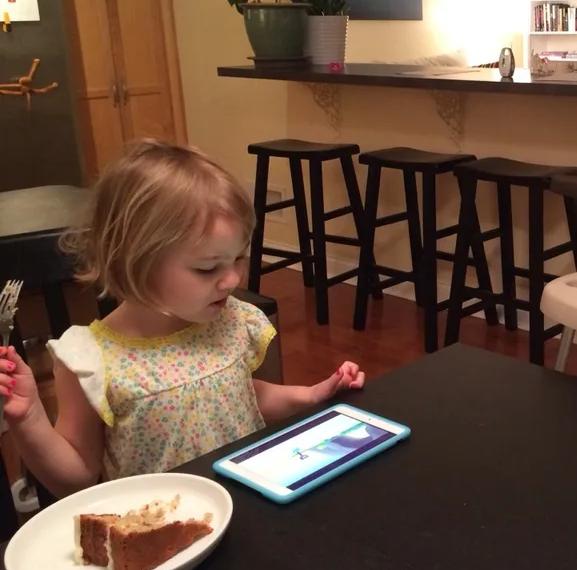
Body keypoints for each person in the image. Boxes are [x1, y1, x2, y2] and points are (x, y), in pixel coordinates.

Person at [0, 140, 366, 497]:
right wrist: (29, 418)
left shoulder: (229, 320)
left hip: (249, 509)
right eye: (207, 268)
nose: (233, 279)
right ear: (136, 262)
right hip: (162, 539)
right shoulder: (90, 360)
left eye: (238, 258)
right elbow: (76, 476)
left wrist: (310, 395)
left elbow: (242, 395)